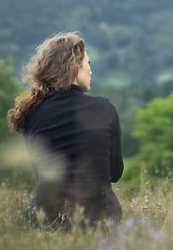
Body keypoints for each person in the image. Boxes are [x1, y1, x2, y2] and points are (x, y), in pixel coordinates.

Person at [7, 32, 124, 228]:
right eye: (88, 63)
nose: (91, 70)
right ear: (75, 65)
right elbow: (115, 173)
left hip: (50, 218)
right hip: (102, 217)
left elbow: (41, 174)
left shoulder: (31, 114)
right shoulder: (105, 109)